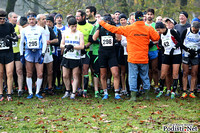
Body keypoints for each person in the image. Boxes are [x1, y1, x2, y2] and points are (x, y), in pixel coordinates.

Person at [97, 11, 160, 101]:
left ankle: (133, 96)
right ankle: (146, 96)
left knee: (132, 76)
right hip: (144, 58)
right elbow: (156, 38)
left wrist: (102, 23)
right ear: (143, 18)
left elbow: (113, 29)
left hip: (132, 58)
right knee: (145, 76)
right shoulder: (148, 28)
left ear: (134, 18)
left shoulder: (129, 28)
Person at [93, 14, 122, 100]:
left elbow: (119, 38)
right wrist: (99, 27)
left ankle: (116, 92)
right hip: (102, 53)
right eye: (106, 22)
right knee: (103, 74)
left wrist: (114, 29)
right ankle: (105, 92)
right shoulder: (100, 28)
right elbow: (94, 38)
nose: (107, 24)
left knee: (115, 73)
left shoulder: (113, 28)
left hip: (112, 53)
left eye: (109, 22)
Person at [19, 12, 47, 99]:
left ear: (36, 19)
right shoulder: (24, 30)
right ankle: (30, 92)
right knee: (29, 73)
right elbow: (21, 43)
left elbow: (44, 42)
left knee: (40, 73)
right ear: (28, 19)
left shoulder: (40, 29)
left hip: (38, 52)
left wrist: (43, 53)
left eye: (33, 19)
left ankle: (37, 92)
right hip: (28, 52)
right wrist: (21, 54)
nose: (31, 21)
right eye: (30, 19)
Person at [155, 22, 182, 99]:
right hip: (167, 55)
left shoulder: (171, 31)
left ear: (162, 27)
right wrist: (161, 48)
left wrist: (174, 48)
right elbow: (161, 44)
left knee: (175, 74)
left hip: (176, 54)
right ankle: (161, 90)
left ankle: (173, 91)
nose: (158, 31)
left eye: (159, 30)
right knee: (163, 74)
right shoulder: (161, 35)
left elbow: (180, 41)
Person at [60, 17, 84, 99]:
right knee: (65, 75)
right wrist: (66, 46)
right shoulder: (65, 33)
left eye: (75, 26)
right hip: (66, 56)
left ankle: (73, 92)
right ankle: (67, 90)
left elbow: (82, 46)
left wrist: (73, 47)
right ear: (69, 26)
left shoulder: (79, 34)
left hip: (76, 57)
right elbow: (61, 45)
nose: (74, 28)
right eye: (72, 26)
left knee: (75, 75)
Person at [37, 14, 58, 94]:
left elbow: (56, 40)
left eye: (45, 19)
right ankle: (39, 88)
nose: (45, 21)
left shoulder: (48, 29)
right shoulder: (36, 29)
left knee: (50, 71)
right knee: (40, 72)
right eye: (43, 19)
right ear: (38, 21)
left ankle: (50, 88)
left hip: (48, 52)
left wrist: (50, 42)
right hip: (38, 52)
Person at [0, 9, 18, 101]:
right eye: (0, 19)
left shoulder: (9, 25)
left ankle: (9, 93)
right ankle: (0, 93)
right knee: (0, 73)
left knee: (9, 73)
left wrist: (9, 38)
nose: (2, 21)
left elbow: (15, 38)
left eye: (3, 19)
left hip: (8, 52)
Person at [76, 10, 93, 98]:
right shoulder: (75, 26)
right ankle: (78, 88)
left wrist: (85, 46)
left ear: (83, 17)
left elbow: (92, 40)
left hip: (86, 51)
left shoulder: (90, 26)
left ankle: (84, 90)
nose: (77, 18)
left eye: (78, 16)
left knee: (85, 70)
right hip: (76, 52)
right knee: (77, 71)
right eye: (76, 16)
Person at [181, 21, 200, 98]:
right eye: (194, 29)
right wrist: (188, 50)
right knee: (185, 72)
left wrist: (197, 52)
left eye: (196, 30)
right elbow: (180, 43)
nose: (194, 31)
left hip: (195, 55)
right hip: (186, 54)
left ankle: (192, 91)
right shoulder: (186, 31)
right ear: (191, 27)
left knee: (194, 73)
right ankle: (184, 91)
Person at [8, 12, 24, 96]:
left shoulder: (19, 27)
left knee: (19, 70)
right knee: (9, 72)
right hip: (8, 51)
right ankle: (8, 88)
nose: (15, 19)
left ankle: (20, 89)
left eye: (16, 17)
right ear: (9, 18)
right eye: (14, 17)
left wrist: (16, 37)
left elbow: (22, 34)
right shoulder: (6, 26)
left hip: (18, 51)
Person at [46, 16, 62, 91]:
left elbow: (59, 41)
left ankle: (53, 85)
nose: (48, 23)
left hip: (54, 53)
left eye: (50, 22)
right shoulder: (43, 30)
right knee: (45, 70)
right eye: (47, 22)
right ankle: (45, 85)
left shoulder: (57, 31)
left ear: (53, 23)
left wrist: (50, 42)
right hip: (46, 53)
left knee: (54, 70)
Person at [145, 8, 159, 92]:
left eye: (151, 14)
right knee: (147, 70)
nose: (149, 16)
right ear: (146, 15)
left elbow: (158, 37)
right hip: (145, 50)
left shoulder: (155, 25)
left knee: (154, 69)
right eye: (148, 14)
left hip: (154, 49)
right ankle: (148, 85)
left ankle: (156, 85)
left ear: (153, 16)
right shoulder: (143, 25)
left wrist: (152, 43)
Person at [118, 14, 129, 96]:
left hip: (129, 52)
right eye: (121, 20)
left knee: (129, 71)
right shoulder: (118, 29)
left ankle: (129, 88)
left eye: (124, 19)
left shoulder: (130, 28)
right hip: (121, 52)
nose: (123, 21)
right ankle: (123, 88)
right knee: (122, 71)